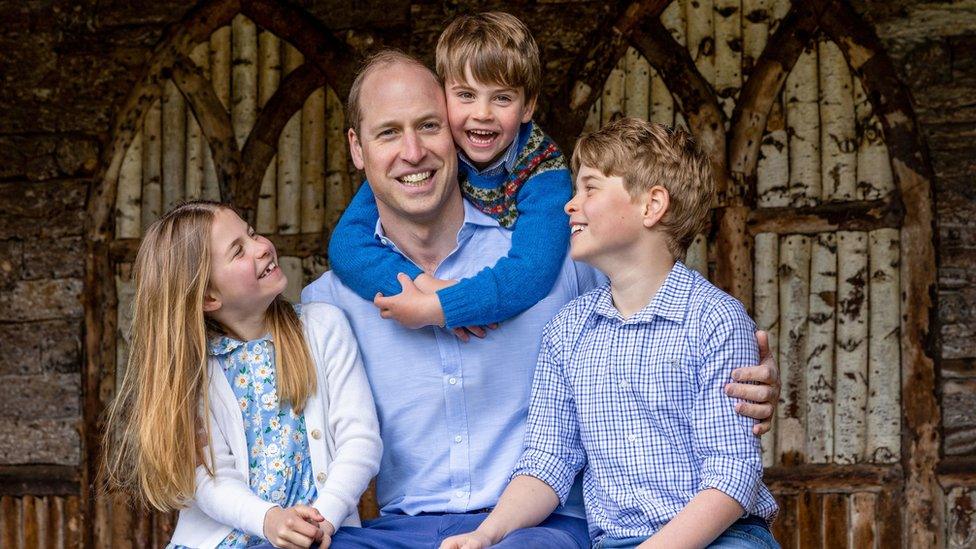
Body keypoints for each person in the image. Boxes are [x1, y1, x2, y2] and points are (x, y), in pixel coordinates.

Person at [302, 52, 780, 549]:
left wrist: (743, 383)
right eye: (387, 134)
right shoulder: (329, 305)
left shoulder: (558, 261)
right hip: (401, 530)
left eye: (428, 126)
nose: (413, 151)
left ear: (457, 134)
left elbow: (658, 317)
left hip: (543, 526)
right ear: (357, 148)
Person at [440, 119, 779, 549]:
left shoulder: (715, 321)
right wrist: (487, 533)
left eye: (590, 188)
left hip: (724, 537)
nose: (570, 204)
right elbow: (549, 461)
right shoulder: (567, 330)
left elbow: (733, 473)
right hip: (619, 539)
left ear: (651, 205)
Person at [102, 201, 382, 549]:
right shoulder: (193, 373)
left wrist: (322, 519)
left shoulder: (323, 327)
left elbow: (360, 439)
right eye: (239, 251)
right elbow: (208, 478)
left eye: (252, 234)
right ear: (208, 297)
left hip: (321, 535)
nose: (263, 246)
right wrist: (269, 520)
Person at [328, 12, 571, 334]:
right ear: (443, 97)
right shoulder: (437, 150)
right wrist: (423, 285)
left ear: (527, 107)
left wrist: (444, 307)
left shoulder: (545, 172)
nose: (482, 114)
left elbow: (533, 272)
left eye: (501, 98)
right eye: (466, 95)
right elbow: (346, 245)